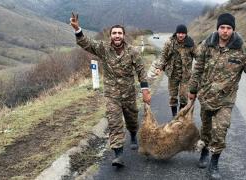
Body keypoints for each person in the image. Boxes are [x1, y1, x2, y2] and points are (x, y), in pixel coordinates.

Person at [188, 13, 246, 180]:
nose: (225, 31)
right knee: (206, 129)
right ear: (217, 28)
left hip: (226, 99)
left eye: (228, 28)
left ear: (233, 29)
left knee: (220, 129)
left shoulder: (243, 49)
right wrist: (192, 90)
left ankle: (214, 164)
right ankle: (204, 151)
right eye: (222, 28)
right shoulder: (207, 45)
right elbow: (198, 69)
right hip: (206, 96)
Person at [70, 13, 151, 167]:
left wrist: (145, 90)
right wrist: (77, 29)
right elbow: (86, 43)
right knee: (114, 122)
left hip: (129, 94)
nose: (117, 36)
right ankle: (118, 154)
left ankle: (133, 134)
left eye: (119, 33)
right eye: (114, 33)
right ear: (110, 35)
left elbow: (141, 70)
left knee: (132, 119)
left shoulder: (132, 51)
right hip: (111, 95)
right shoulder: (103, 49)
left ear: (124, 35)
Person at [153, 24, 196, 117]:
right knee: (173, 96)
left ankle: (181, 116)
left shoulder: (190, 43)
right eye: (179, 33)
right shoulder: (170, 43)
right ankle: (174, 116)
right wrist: (158, 67)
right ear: (176, 33)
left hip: (186, 75)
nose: (181, 35)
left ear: (186, 34)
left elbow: (199, 56)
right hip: (172, 74)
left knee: (183, 96)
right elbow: (163, 56)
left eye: (183, 33)